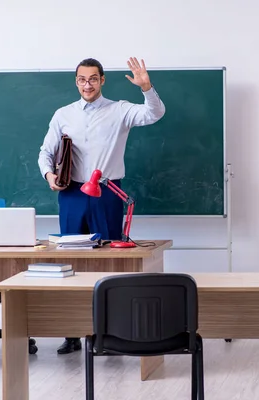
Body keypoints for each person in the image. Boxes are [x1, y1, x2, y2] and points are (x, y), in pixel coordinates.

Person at [37, 57, 166, 354]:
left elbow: (155, 113)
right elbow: (46, 151)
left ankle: (111, 334)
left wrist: (146, 87)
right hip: (71, 193)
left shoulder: (119, 110)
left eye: (93, 79)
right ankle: (71, 333)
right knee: (69, 264)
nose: (87, 85)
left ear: (102, 80)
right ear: (76, 81)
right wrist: (48, 174)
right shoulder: (63, 114)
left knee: (111, 262)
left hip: (107, 192)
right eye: (82, 79)